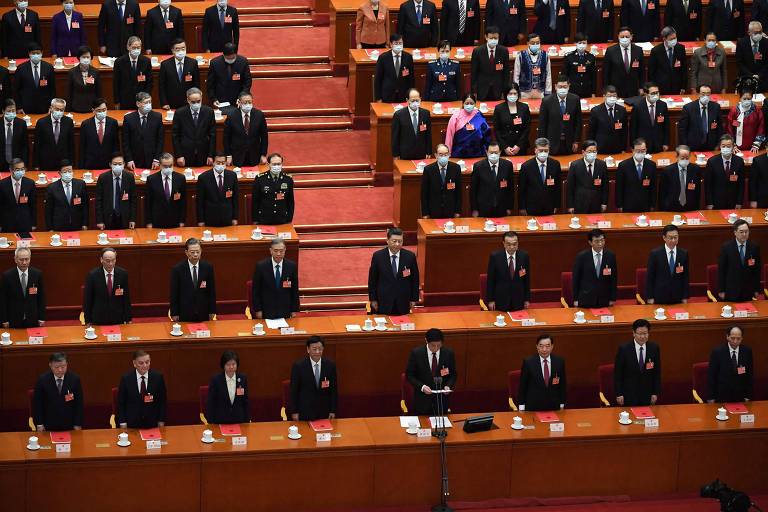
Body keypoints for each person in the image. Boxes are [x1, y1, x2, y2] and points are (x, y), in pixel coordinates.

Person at [368, 227, 419, 315]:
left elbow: (415, 279)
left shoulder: (410, 256)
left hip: (403, 300)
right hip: (384, 300)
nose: (397, 244)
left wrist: (414, 299)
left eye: (400, 241)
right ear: (387, 240)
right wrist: (373, 299)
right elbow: (372, 280)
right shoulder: (378, 256)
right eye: (394, 241)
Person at [405, 328, 457, 415]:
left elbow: (453, 374)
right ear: (426, 341)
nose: (436, 348)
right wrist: (422, 387)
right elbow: (409, 375)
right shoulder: (417, 353)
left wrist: (448, 386)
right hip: (422, 402)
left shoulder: (448, 353)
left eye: (439, 345)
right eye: (433, 345)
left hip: (441, 402)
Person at [614, 319, 661, 407]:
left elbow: (656, 373)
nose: (643, 336)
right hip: (629, 395)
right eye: (640, 334)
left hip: (647, 395)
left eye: (645, 333)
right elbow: (618, 374)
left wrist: (655, 393)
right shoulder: (624, 349)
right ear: (634, 333)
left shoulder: (654, 348)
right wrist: (619, 394)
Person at [289, 336, 338, 421]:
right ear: (308, 349)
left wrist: (333, 410)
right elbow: (294, 391)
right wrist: (294, 412)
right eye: (314, 349)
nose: (317, 352)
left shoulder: (330, 366)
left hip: (324, 412)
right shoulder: (299, 366)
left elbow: (334, 390)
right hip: (305, 412)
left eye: (320, 349)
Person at [32, 353, 83, 432]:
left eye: (63, 366)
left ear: (67, 364)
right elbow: (37, 404)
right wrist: (39, 424)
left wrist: (77, 424)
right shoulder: (42, 380)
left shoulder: (74, 379)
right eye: (56, 367)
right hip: (48, 424)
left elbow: (79, 404)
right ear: (50, 366)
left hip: (69, 424)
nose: (60, 370)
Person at [117, 350, 167, 429]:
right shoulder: (126, 379)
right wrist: (122, 422)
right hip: (131, 424)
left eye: (147, 362)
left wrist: (161, 421)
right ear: (134, 363)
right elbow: (121, 403)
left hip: (152, 423)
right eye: (141, 363)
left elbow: (162, 402)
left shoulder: (158, 377)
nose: (145, 365)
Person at [170, 238, 217, 321]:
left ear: (201, 251)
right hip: (184, 312)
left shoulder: (208, 267)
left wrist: (212, 311)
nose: (195, 254)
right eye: (192, 252)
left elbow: (211, 291)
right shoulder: (178, 269)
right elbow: (174, 294)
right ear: (186, 253)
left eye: (198, 252)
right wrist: (174, 313)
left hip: (203, 311)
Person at [251, 238, 299, 320]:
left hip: (285, 310)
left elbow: (294, 290)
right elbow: (256, 291)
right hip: (267, 310)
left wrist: (294, 310)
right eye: (276, 250)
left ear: (285, 250)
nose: (278, 253)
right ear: (270, 250)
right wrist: (258, 310)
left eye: (281, 251)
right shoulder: (261, 266)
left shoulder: (291, 266)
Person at [518, 334, 566, 411]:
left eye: (547, 346)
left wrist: (562, 403)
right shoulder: (528, 362)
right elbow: (523, 385)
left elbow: (562, 384)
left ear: (552, 346)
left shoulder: (559, 362)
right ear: (537, 346)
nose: (544, 349)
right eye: (541, 346)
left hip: (553, 405)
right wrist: (521, 405)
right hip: (533, 405)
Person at [83, 248, 132, 325]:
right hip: (99, 318)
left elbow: (126, 298)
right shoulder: (92, 275)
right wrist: (88, 320)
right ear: (101, 260)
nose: (111, 264)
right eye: (108, 261)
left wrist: (128, 318)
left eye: (113, 260)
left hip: (118, 317)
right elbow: (87, 299)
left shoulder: (123, 274)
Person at [717, 219, 761, 302]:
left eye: (746, 232)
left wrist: (756, 289)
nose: (744, 234)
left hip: (747, 290)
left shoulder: (754, 247)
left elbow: (757, 270)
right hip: (731, 290)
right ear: (735, 232)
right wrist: (721, 290)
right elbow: (721, 271)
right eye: (741, 232)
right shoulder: (726, 247)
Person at [707, 326, 753, 403]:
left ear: (742, 338)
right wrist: (711, 397)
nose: (735, 341)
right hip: (721, 396)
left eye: (738, 338)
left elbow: (749, 375)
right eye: (732, 338)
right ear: (727, 337)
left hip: (740, 396)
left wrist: (748, 396)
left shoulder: (747, 352)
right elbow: (711, 376)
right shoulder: (717, 352)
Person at [486, 231, 530, 311]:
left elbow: (526, 279)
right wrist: (490, 300)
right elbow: (490, 280)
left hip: (518, 300)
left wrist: (527, 299)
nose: (512, 247)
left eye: (514, 244)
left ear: (518, 243)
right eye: (508, 244)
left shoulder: (524, 256)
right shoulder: (495, 257)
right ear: (503, 243)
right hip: (500, 300)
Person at [572, 228, 617, 307]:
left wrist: (612, 298)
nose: (600, 243)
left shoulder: (610, 256)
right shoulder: (582, 257)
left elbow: (614, 278)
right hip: (586, 299)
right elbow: (576, 279)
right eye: (597, 241)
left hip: (604, 299)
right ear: (590, 242)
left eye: (602, 240)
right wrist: (576, 299)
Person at [1, 247, 45, 327]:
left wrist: (41, 317)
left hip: (32, 318)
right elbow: (3, 299)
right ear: (15, 259)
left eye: (26, 259)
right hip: (13, 318)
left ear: (30, 259)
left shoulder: (37, 274)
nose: (24, 262)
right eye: (21, 260)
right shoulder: (7, 276)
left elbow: (41, 298)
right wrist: (4, 319)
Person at [645, 224, 689, 304]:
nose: (673, 240)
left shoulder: (683, 254)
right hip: (659, 297)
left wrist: (685, 297)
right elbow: (650, 277)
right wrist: (650, 297)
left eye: (675, 237)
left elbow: (685, 277)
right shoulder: (655, 254)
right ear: (664, 238)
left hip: (677, 297)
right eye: (670, 238)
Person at [172, 88, 216, 167]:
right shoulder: (180, 113)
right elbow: (175, 136)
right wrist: (179, 155)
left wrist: (211, 155)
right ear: (188, 100)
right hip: (185, 155)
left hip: (204, 154)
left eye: (198, 101)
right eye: (193, 102)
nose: (196, 104)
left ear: (202, 99)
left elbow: (212, 135)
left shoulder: (209, 112)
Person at [538, 75, 581, 155]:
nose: (562, 89)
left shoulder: (575, 99)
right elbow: (542, 124)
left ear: (569, 86)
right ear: (555, 86)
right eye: (560, 86)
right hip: (552, 143)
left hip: (569, 142)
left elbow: (578, 122)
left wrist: (576, 141)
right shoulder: (547, 101)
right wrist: (543, 144)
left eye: (565, 86)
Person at [223, 91, 267, 167]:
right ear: (239, 103)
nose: (248, 105)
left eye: (250, 102)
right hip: (237, 155)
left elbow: (264, 136)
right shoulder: (231, 116)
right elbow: (226, 137)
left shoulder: (259, 115)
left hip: (254, 155)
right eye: (245, 102)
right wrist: (228, 155)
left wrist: (263, 154)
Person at [205, 350, 250, 424]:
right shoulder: (216, 380)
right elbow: (211, 402)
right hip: (220, 420)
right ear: (223, 365)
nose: (231, 367)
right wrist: (211, 422)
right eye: (228, 364)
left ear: (237, 364)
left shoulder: (242, 379)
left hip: (239, 420)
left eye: (233, 364)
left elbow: (245, 401)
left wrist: (247, 420)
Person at [470, 141, 514, 217]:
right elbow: (473, 190)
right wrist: (475, 209)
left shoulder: (507, 165)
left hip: (502, 208)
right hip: (483, 208)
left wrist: (509, 207)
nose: (493, 155)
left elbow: (511, 189)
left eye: (496, 152)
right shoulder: (478, 166)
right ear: (487, 152)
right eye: (491, 152)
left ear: (500, 152)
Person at [519, 138, 561, 215]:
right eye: (540, 150)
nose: (543, 153)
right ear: (535, 150)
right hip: (532, 207)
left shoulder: (555, 164)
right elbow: (522, 190)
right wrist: (522, 208)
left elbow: (558, 187)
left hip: (549, 206)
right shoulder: (526, 166)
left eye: (546, 150)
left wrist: (556, 205)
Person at [123, 92, 164, 171]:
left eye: (150, 102)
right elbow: (126, 142)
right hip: (135, 161)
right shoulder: (128, 118)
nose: (149, 104)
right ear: (138, 104)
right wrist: (129, 159)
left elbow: (160, 140)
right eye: (146, 102)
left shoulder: (157, 117)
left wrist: (156, 159)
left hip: (152, 160)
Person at [207, 43, 252, 114]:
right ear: (223, 55)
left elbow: (247, 81)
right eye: (228, 58)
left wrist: (242, 96)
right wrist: (213, 98)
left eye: (232, 57)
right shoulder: (215, 63)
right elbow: (210, 83)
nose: (230, 59)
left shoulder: (243, 61)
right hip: (221, 100)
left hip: (238, 98)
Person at [145, 153, 186, 228]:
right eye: (165, 166)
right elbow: (148, 203)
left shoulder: (180, 178)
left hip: (175, 221)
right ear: (160, 165)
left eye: (170, 166)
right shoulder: (151, 179)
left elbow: (183, 202)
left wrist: (182, 221)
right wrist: (149, 222)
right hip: (157, 221)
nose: (168, 168)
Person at [420, 143, 462, 218]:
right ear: (436, 155)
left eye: (446, 154)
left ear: (449, 154)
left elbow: (459, 192)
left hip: (450, 210)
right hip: (433, 210)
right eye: (440, 154)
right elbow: (424, 194)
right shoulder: (428, 170)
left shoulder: (456, 168)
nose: (443, 157)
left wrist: (457, 211)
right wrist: (425, 213)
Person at [45, 161, 89, 231]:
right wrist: (50, 228)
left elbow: (85, 206)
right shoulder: (52, 188)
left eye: (70, 171)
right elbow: (48, 210)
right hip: (59, 226)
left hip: (77, 225)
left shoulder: (80, 184)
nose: (68, 174)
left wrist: (85, 223)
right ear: (59, 173)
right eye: (65, 172)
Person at [96, 154, 136, 230]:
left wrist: (132, 219)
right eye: (115, 164)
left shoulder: (129, 177)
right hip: (108, 216)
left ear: (124, 164)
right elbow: (98, 201)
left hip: (124, 217)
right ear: (110, 164)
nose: (118, 166)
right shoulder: (103, 178)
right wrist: (100, 220)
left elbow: (133, 200)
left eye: (120, 164)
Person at [615, 138, 656, 212]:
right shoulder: (623, 166)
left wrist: (653, 205)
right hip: (628, 205)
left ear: (646, 150)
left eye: (643, 150)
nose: (640, 153)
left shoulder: (651, 165)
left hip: (645, 205)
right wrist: (619, 205)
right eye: (637, 151)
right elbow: (619, 188)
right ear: (632, 150)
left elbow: (653, 187)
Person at [566, 140, 608, 214]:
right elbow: (570, 187)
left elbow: (605, 186)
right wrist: (570, 205)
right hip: (580, 203)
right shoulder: (575, 165)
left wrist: (604, 203)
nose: (592, 154)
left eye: (594, 151)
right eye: (589, 151)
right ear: (583, 152)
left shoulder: (602, 165)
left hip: (596, 203)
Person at [252, 153, 294, 225]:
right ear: (269, 165)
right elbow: (255, 201)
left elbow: (290, 201)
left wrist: (289, 219)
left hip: (282, 219)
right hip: (264, 219)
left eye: (279, 164)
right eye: (274, 164)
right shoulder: (260, 179)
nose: (277, 166)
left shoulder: (288, 179)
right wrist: (255, 219)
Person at [13, 44, 56, 115]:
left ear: (42, 53)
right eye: (33, 53)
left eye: (38, 53)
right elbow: (16, 90)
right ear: (29, 53)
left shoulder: (49, 68)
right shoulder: (21, 68)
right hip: (26, 108)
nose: (36, 55)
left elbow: (52, 89)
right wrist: (18, 107)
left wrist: (52, 106)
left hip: (44, 107)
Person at [197, 153, 238, 226]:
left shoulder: (232, 176)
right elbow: (200, 201)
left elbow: (235, 199)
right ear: (213, 162)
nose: (220, 165)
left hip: (227, 217)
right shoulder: (203, 178)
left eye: (223, 163)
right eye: (218, 163)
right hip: (210, 218)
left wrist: (235, 218)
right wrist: (201, 220)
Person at [113, 37, 153, 110]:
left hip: (142, 100)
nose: (136, 50)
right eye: (134, 47)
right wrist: (117, 101)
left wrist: (146, 98)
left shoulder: (146, 61)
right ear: (128, 47)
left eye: (138, 47)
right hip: (125, 99)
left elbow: (149, 82)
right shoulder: (119, 62)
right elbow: (116, 83)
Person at [603, 27, 644, 99]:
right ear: (618, 37)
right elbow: (606, 73)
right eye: (622, 37)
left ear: (631, 37)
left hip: (633, 90)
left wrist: (641, 87)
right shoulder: (611, 51)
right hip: (616, 90)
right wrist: (606, 90)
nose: (624, 39)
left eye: (627, 36)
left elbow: (642, 71)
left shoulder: (638, 50)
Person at [445, 93, 490, 157]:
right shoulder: (456, 116)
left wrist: (488, 150)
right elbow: (449, 135)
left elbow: (486, 133)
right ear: (463, 104)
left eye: (471, 103)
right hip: (459, 153)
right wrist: (448, 152)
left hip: (478, 153)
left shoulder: (479, 115)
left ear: (475, 104)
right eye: (467, 103)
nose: (469, 105)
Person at [392, 88, 432, 160]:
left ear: (420, 99)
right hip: (405, 154)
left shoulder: (426, 113)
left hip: (421, 154)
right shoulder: (399, 115)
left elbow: (428, 134)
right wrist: (396, 154)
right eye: (413, 101)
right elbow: (395, 137)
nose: (415, 103)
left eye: (417, 100)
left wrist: (428, 152)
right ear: (407, 100)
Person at [678, 85, 722, 151]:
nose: (705, 96)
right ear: (698, 94)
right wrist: (685, 146)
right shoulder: (688, 108)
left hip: (711, 145)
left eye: (708, 94)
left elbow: (720, 128)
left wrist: (718, 144)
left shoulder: (716, 107)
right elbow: (682, 129)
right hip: (693, 146)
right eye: (703, 94)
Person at [34, 98, 74, 171]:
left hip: (63, 163)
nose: (59, 112)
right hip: (46, 162)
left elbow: (71, 144)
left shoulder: (69, 122)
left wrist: (71, 163)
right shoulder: (41, 123)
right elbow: (37, 145)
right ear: (51, 108)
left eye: (61, 110)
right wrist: (36, 164)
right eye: (57, 109)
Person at [706, 135, 744, 210]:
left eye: (728, 146)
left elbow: (741, 184)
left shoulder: (739, 161)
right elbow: (708, 185)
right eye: (723, 146)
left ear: (733, 147)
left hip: (733, 201)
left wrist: (739, 202)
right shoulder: (712, 162)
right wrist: (709, 203)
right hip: (716, 201)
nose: (725, 148)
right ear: (720, 146)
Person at [659, 145, 703, 211]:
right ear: (677, 157)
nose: (685, 160)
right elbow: (662, 193)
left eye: (687, 158)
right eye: (682, 158)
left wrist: (697, 208)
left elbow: (698, 191)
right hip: (671, 207)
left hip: (690, 207)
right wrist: (663, 208)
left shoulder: (696, 170)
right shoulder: (667, 171)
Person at [159, 39, 200, 110]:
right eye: (177, 49)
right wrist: (164, 102)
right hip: (171, 103)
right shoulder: (165, 65)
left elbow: (197, 84)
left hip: (189, 102)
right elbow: (161, 86)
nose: (181, 51)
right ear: (172, 50)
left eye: (183, 48)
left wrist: (195, 101)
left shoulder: (193, 63)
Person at [471, 26, 510, 100]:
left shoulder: (504, 51)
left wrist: (505, 91)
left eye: (496, 38)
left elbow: (506, 73)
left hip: (498, 90)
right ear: (486, 37)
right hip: (482, 90)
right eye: (491, 38)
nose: (493, 40)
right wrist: (474, 91)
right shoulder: (477, 51)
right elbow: (474, 73)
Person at [80, 99, 119, 170]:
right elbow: (82, 147)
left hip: (108, 164)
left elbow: (116, 145)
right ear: (93, 110)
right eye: (99, 110)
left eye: (104, 110)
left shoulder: (113, 123)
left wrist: (116, 163)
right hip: (91, 164)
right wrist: (82, 167)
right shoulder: (86, 124)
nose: (102, 112)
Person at [374, 34, 414, 103]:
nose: (398, 45)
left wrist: (411, 96)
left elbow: (411, 79)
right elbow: (378, 79)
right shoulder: (383, 58)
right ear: (391, 44)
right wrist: (378, 98)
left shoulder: (408, 57)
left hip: (403, 96)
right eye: (396, 43)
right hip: (387, 95)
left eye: (400, 43)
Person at [630, 83, 669, 154]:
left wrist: (665, 143)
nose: (656, 95)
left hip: (658, 144)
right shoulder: (637, 106)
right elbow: (633, 128)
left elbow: (666, 126)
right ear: (646, 94)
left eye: (657, 92)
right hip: (642, 146)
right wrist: (633, 146)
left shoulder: (663, 105)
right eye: (653, 93)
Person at [493, 83, 531, 156]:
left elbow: (527, 128)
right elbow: (497, 130)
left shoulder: (524, 107)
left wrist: (518, 146)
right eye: (510, 93)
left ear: (518, 94)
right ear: (506, 94)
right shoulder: (499, 109)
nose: (513, 96)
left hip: (521, 146)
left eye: (515, 93)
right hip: (505, 146)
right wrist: (505, 147)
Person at [589, 86, 628, 154]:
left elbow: (624, 131)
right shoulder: (596, 111)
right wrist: (592, 148)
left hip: (617, 148)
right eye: (609, 96)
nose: (612, 98)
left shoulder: (622, 110)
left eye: (614, 96)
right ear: (604, 96)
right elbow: (592, 132)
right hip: (600, 147)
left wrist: (623, 148)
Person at [0, 158, 36, 233]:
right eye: (17, 169)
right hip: (7, 224)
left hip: (25, 223)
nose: (20, 171)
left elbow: (33, 205)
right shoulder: (2, 184)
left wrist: (33, 224)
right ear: (11, 170)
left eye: (22, 169)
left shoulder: (30, 183)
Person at [648, 27, 686, 95]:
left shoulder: (681, 48)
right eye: (671, 39)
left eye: (675, 38)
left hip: (677, 87)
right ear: (664, 39)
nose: (674, 40)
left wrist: (683, 87)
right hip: (661, 87)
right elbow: (651, 73)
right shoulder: (656, 51)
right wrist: (653, 89)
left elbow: (684, 69)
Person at [726, 87, 765, 152]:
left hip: (754, 147)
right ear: (740, 98)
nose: (746, 101)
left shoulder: (757, 111)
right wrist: (732, 145)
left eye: (749, 99)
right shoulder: (734, 111)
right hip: (736, 148)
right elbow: (729, 129)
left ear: (752, 98)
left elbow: (761, 128)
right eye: (744, 99)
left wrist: (756, 144)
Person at [512, 33, 550, 99]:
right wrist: (516, 91)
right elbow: (516, 75)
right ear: (528, 43)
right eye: (532, 43)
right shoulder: (520, 55)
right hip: (524, 92)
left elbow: (548, 74)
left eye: (537, 42)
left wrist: (548, 91)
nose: (535, 44)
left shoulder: (545, 55)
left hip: (540, 91)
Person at [67, 46, 101, 113]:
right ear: (79, 58)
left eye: (88, 57)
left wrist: (98, 107)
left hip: (92, 107)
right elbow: (69, 92)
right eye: (83, 57)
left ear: (91, 58)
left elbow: (99, 92)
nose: (86, 59)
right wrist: (68, 110)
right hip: (76, 107)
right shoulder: (72, 72)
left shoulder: (96, 72)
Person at [736, 21, 768, 91]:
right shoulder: (741, 43)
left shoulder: (766, 43)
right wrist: (751, 75)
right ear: (749, 33)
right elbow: (739, 63)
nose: (759, 34)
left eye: (760, 32)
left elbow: (766, 63)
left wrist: (759, 75)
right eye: (756, 33)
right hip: (746, 78)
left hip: (763, 79)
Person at [563, 34, 596, 98]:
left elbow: (593, 77)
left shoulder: (591, 57)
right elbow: (565, 75)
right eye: (580, 43)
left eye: (584, 43)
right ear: (575, 43)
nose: (582, 45)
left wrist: (593, 92)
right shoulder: (569, 56)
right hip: (573, 89)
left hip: (587, 90)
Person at [1, 100, 29, 171]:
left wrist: (24, 164)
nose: (11, 113)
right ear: (3, 111)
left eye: (13, 110)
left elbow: (25, 146)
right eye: (9, 111)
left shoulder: (21, 124)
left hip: (17, 164)